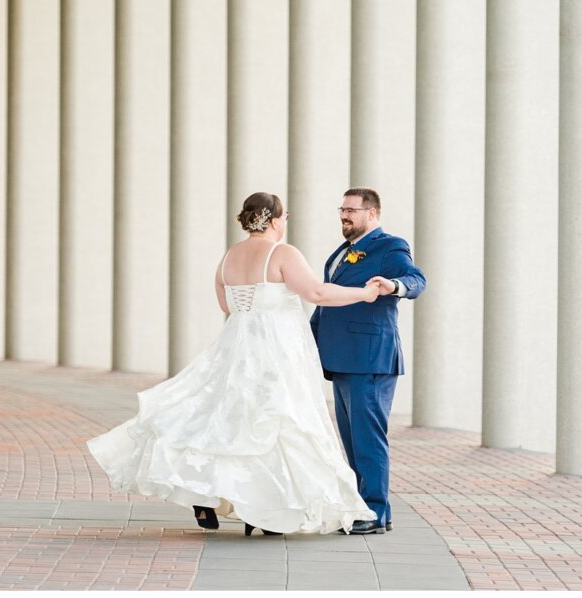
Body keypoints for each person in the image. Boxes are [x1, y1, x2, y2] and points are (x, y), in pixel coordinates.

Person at [87, 192, 379, 535]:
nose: (286, 222)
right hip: (275, 349)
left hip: (235, 345)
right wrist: (365, 293)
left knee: (227, 419)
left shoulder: (229, 256)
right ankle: (268, 510)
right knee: (277, 420)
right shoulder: (282, 253)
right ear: (272, 220)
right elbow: (315, 293)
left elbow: (226, 305)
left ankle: (210, 497)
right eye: (285, 217)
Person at [310, 187, 427, 535]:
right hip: (342, 358)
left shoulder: (389, 245)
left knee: (368, 438)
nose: (345, 216)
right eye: (342, 210)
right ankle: (364, 507)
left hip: (370, 359)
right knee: (351, 439)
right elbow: (327, 302)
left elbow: (416, 279)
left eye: (352, 211)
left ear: (372, 214)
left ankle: (376, 511)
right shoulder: (343, 253)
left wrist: (393, 285)